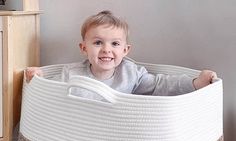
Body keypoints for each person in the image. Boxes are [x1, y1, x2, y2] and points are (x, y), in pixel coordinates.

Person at [25, 10, 217, 97]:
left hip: (119, 135)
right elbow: (49, 93)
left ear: (125, 50)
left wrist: (195, 83)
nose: (106, 49)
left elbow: (162, 85)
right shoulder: (71, 74)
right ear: (84, 48)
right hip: (83, 135)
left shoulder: (132, 74)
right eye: (98, 42)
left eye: (115, 44)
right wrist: (37, 78)